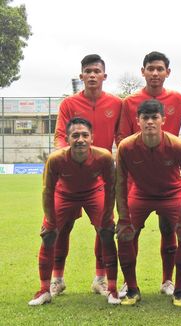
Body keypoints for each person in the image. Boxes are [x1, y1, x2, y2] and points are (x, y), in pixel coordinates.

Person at [116, 51, 181, 297]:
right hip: (138, 187)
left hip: (171, 190)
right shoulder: (129, 105)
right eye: (151, 68)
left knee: (176, 232)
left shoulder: (179, 105)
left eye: (160, 69)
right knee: (127, 232)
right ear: (143, 71)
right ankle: (130, 285)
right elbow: (121, 140)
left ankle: (171, 283)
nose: (155, 73)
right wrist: (123, 215)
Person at [51, 54, 122, 297]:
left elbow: (121, 137)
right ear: (81, 76)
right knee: (60, 229)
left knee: (104, 228)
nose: (92, 75)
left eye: (97, 71)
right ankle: (57, 279)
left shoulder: (116, 104)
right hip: (69, 178)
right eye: (88, 71)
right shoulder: (68, 104)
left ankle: (100, 278)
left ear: (104, 76)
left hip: (100, 179)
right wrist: (66, 159)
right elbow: (60, 135)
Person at [28, 117, 120, 306]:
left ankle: (111, 288)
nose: (80, 139)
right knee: (48, 235)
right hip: (65, 194)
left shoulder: (104, 157)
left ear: (92, 138)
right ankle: (45, 289)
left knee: (107, 232)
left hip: (94, 192)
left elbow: (111, 188)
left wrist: (108, 215)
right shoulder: (56, 159)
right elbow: (47, 191)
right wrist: (51, 222)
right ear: (67, 139)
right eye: (75, 135)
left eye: (85, 135)